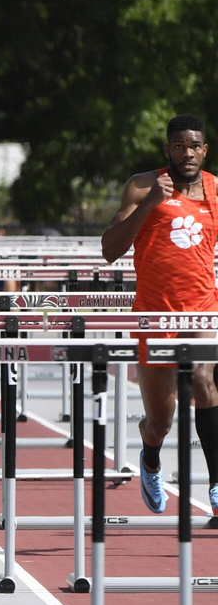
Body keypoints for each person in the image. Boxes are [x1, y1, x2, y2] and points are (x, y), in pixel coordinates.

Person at [102, 113, 218, 516]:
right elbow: (110, 249)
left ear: (205, 150)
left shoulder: (215, 190)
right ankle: (150, 459)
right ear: (168, 149)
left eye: (195, 146)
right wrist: (151, 203)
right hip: (154, 313)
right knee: (161, 419)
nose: (188, 153)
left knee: (205, 380)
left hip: (203, 308)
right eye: (180, 146)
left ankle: (217, 482)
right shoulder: (142, 185)